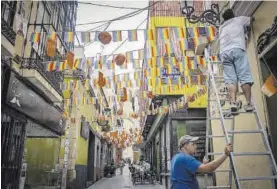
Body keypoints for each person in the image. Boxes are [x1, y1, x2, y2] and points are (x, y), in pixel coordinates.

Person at [219, 9, 254, 114]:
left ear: (224, 19)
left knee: (230, 79)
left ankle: (233, 102)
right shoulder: (239, 20)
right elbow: (252, 19)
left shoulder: (221, 27)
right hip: (237, 49)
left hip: (224, 52)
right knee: (244, 77)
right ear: (233, 15)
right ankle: (248, 104)